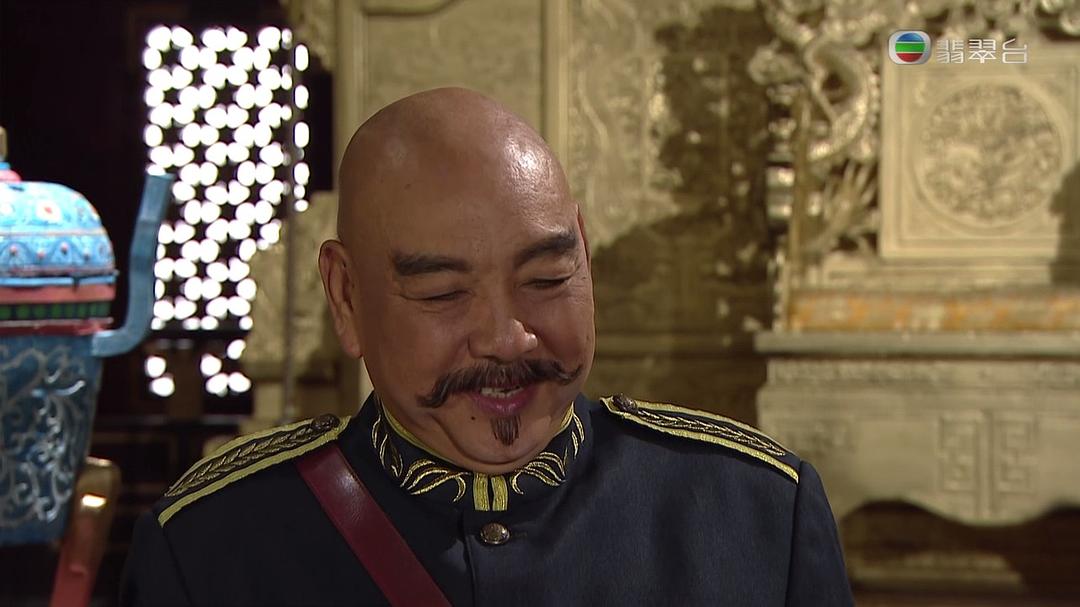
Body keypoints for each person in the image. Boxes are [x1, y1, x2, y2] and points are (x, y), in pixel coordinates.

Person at [121, 87, 854, 606]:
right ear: (346, 297)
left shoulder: (755, 514)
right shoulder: (211, 549)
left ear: (585, 256)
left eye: (546, 278)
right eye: (442, 293)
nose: (507, 338)